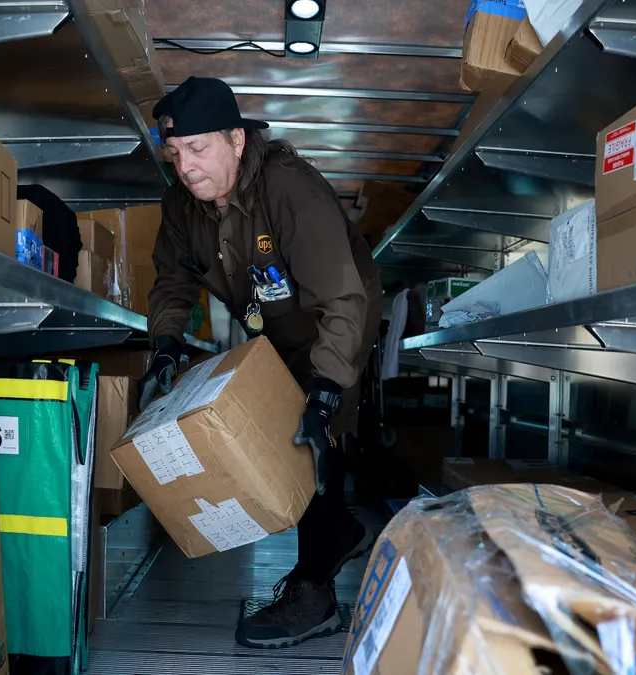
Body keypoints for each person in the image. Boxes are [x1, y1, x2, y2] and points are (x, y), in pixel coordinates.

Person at [136, 76, 383, 649]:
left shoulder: (289, 190)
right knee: (280, 427)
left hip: (336, 312)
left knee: (306, 429)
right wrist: (166, 345)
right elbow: (172, 281)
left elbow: (342, 299)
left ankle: (316, 597)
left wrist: (325, 392)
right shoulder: (183, 205)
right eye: (175, 154)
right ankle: (340, 533)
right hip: (272, 324)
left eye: (199, 150)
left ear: (237, 140)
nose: (187, 167)